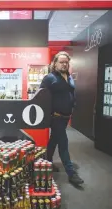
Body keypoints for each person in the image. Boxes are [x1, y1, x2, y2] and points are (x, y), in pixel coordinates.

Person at [40, 51, 84, 185]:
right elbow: (41, 97)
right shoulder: (49, 78)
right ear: (55, 63)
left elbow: (71, 92)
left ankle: (47, 164)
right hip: (56, 117)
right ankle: (71, 173)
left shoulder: (69, 77)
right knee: (63, 142)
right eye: (61, 62)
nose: (64, 64)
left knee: (53, 140)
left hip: (65, 117)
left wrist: (73, 104)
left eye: (66, 62)